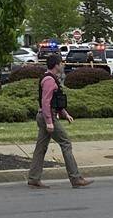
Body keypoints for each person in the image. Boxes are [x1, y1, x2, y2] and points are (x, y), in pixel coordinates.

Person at [27, 53, 91, 189]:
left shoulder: (51, 78)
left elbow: (56, 101)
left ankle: (33, 178)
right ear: (56, 65)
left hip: (45, 115)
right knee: (66, 143)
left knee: (41, 148)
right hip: (47, 116)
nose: (63, 65)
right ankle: (75, 178)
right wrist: (49, 121)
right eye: (61, 63)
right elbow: (46, 102)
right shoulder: (49, 80)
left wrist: (65, 113)